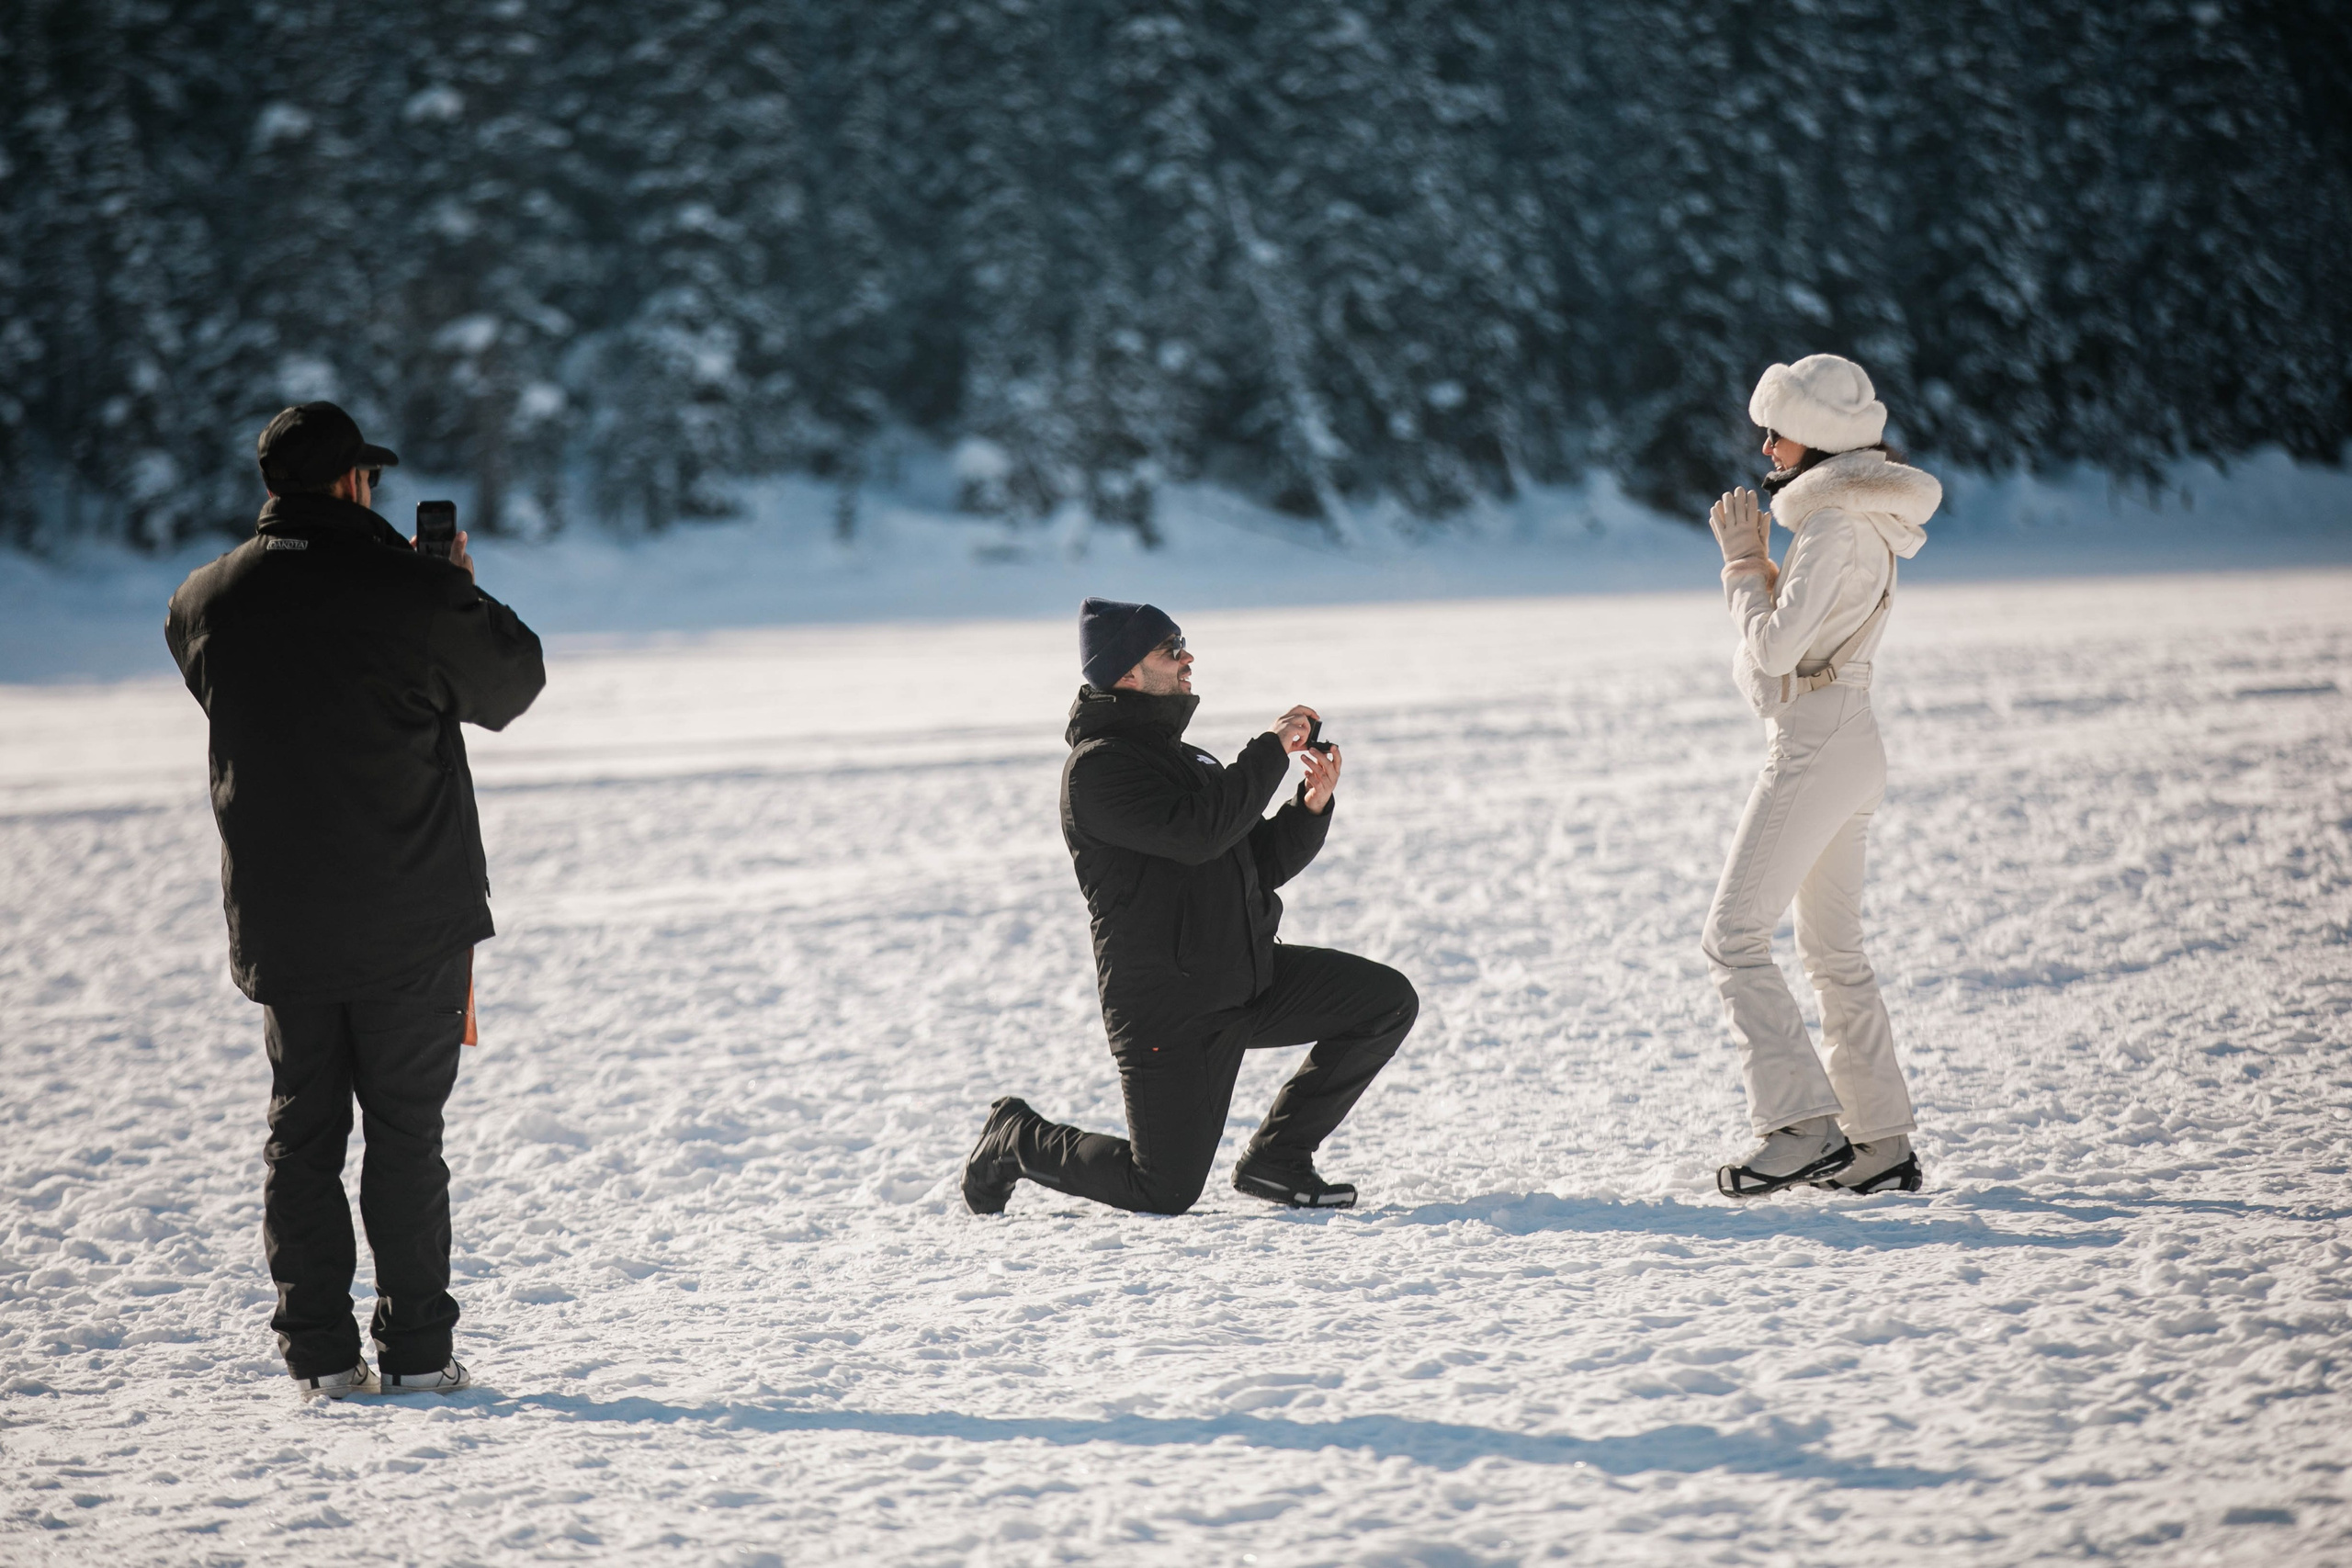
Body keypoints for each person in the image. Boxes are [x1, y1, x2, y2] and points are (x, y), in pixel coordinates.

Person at [164, 401, 546, 1397]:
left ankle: (320, 1357)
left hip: (282, 912)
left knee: (302, 1129)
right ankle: (419, 1353)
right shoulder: (408, 593)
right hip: (411, 912)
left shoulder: (205, 599)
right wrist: (452, 589)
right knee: (406, 1134)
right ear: (352, 484)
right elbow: (511, 683)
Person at [963, 598, 1417, 1216]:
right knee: (1164, 1187)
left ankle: (1277, 1157)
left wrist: (1308, 807)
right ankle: (1016, 1137)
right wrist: (1269, 749)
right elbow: (1198, 831)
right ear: (1126, 672)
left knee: (1384, 1001)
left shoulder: (1188, 760)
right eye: (1170, 649)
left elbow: (1252, 863)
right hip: (1169, 1012)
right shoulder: (1096, 773)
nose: (1188, 658)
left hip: (1245, 978)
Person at [1703, 355, 1941, 1199]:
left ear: (1826, 437)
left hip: (1815, 738)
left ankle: (1801, 1126)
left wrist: (1742, 567)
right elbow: (1804, 637)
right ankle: (1879, 1142)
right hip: (1851, 734)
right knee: (1834, 951)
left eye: (1778, 429)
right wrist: (1770, 573)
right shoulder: (1862, 520)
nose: (1765, 446)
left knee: (1731, 936)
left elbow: (1772, 650)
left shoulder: (1835, 524)